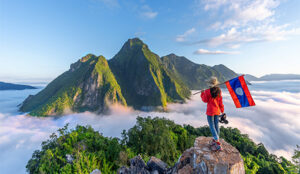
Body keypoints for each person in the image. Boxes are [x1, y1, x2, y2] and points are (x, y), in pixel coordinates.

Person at [200, 77, 224, 151]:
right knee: (216, 125)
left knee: (212, 126)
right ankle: (216, 140)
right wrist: (222, 109)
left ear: (209, 84)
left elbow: (205, 100)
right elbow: (220, 101)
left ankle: (216, 140)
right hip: (217, 110)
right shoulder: (219, 91)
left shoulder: (207, 91)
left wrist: (202, 93)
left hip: (210, 111)